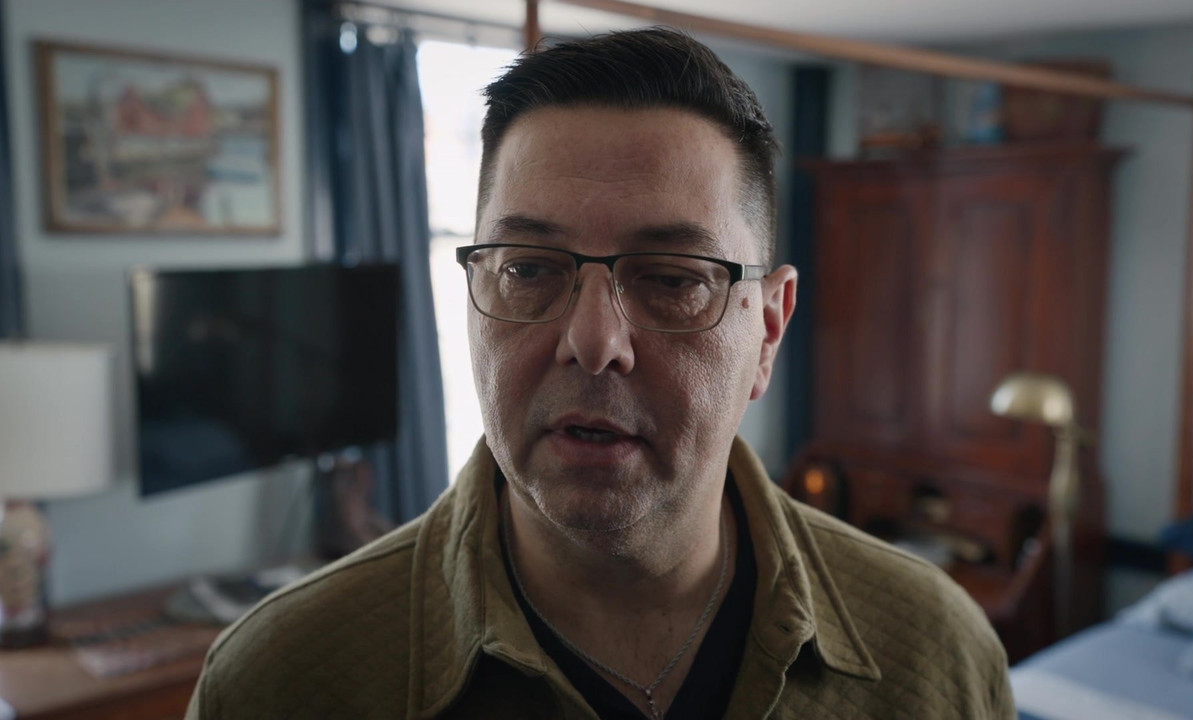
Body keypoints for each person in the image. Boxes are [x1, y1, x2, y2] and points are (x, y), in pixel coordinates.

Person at [185, 27, 1014, 720]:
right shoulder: (278, 684)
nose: (592, 343)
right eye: (528, 268)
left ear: (767, 329)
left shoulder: (934, 654)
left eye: (673, 279)